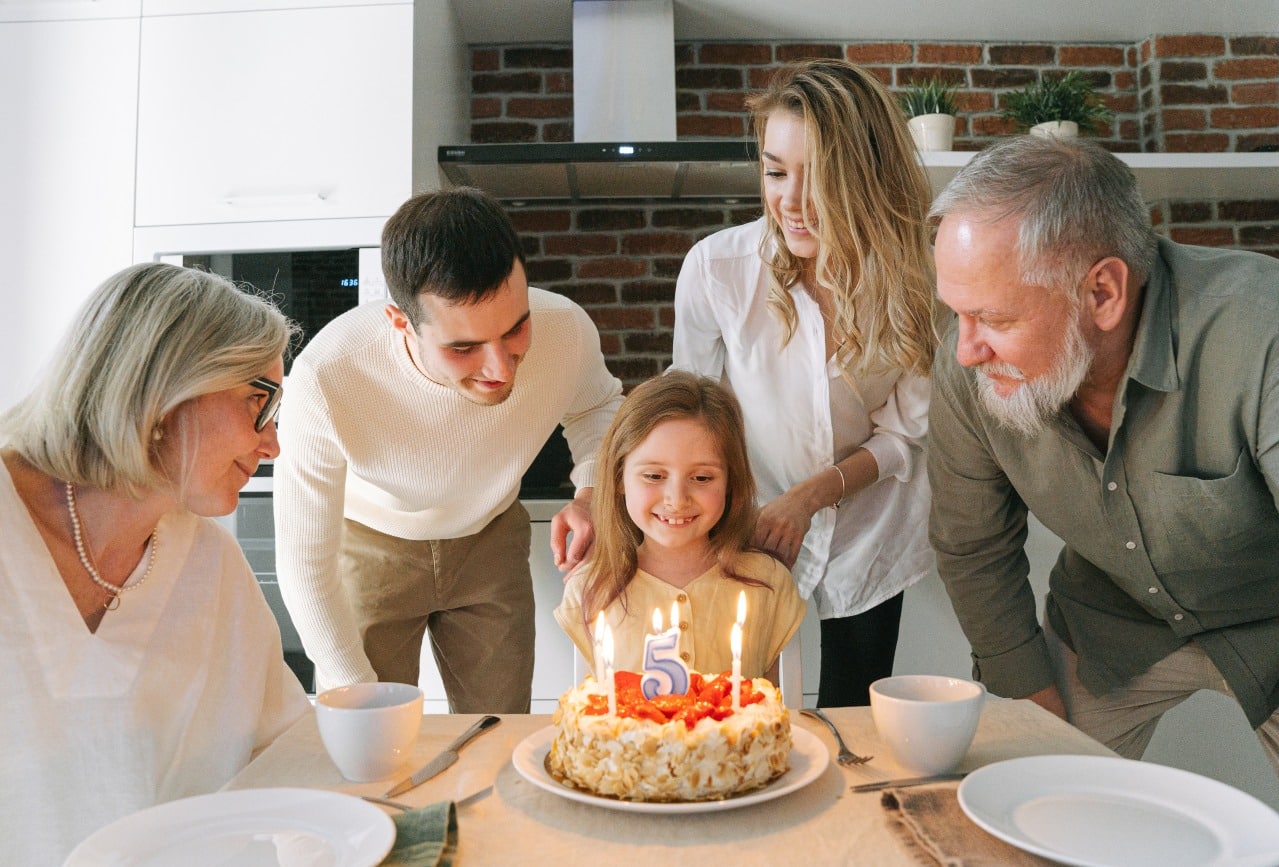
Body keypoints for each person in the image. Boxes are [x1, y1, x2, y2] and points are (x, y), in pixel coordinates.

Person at [927, 135, 1279, 820]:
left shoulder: (1273, 333)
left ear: (1102, 291)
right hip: (1109, 624)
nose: (965, 348)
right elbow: (973, 544)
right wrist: (1030, 713)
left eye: (994, 317)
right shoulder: (967, 361)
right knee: (1018, 819)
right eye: (958, 311)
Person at [0, 262, 310, 864]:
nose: (273, 443)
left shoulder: (211, 565)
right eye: (258, 400)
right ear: (165, 389)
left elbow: (287, 757)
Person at [275, 187, 624, 712]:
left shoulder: (566, 329)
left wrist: (593, 489)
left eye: (515, 329)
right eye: (463, 348)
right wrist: (349, 685)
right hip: (369, 551)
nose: (501, 369)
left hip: (490, 541)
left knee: (498, 730)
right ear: (401, 322)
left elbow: (598, 405)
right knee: (371, 744)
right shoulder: (327, 376)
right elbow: (304, 563)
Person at [672, 58, 936, 706]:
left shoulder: (919, 277)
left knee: (855, 723)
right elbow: (690, 418)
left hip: (870, 525)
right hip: (748, 520)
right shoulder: (717, 270)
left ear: (866, 177)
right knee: (740, 716)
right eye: (774, 170)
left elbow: (905, 435)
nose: (789, 201)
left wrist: (810, 497)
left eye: (817, 176)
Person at [555, 371, 805, 680]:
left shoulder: (766, 583)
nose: (677, 499)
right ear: (619, 477)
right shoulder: (590, 589)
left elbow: (773, 711)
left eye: (702, 478)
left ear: (730, 481)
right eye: (654, 476)